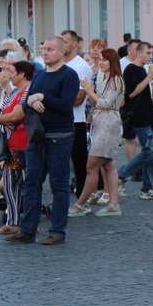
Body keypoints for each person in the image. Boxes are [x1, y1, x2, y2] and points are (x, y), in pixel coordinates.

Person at [5, 37, 80, 246]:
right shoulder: (39, 75)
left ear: (62, 51)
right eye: (43, 49)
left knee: (59, 184)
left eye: (50, 49)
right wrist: (31, 101)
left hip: (59, 137)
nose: (45, 52)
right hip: (37, 136)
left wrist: (42, 98)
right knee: (31, 183)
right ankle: (27, 229)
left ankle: (57, 231)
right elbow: (28, 103)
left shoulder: (69, 76)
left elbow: (66, 105)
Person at [69, 48, 125, 217]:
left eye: (105, 60)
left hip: (109, 123)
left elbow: (106, 103)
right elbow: (97, 102)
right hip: (100, 122)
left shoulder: (116, 80)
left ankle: (81, 203)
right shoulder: (102, 77)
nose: (101, 62)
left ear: (112, 62)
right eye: (100, 59)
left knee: (91, 165)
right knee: (108, 164)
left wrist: (89, 90)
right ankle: (113, 203)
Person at [0, 60, 34, 235]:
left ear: (22, 74)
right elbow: (3, 110)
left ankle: (31, 222)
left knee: (28, 185)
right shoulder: (16, 92)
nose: (10, 74)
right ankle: (12, 221)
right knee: (9, 185)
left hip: (24, 143)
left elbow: (14, 116)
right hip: (12, 143)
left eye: (13, 71)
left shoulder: (27, 91)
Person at [117, 42, 153, 200]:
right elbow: (131, 93)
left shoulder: (144, 69)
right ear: (138, 53)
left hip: (149, 114)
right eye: (148, 53)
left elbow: (148, 90)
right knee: (150, 151)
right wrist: (149, 78)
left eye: (152, 53)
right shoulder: (131, 69)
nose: (151, 56)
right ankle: (121, 174)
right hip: (139, 116)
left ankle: (147, 188)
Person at [61, 30, 94, 199]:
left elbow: (79, 99)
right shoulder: (57, 64)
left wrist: (54, 100)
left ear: (74, 44)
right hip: (58, 121)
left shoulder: (81, 66)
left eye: (65, 42)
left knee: (79, 162)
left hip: (76, 121)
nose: (61, 45)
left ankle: (83, 198)